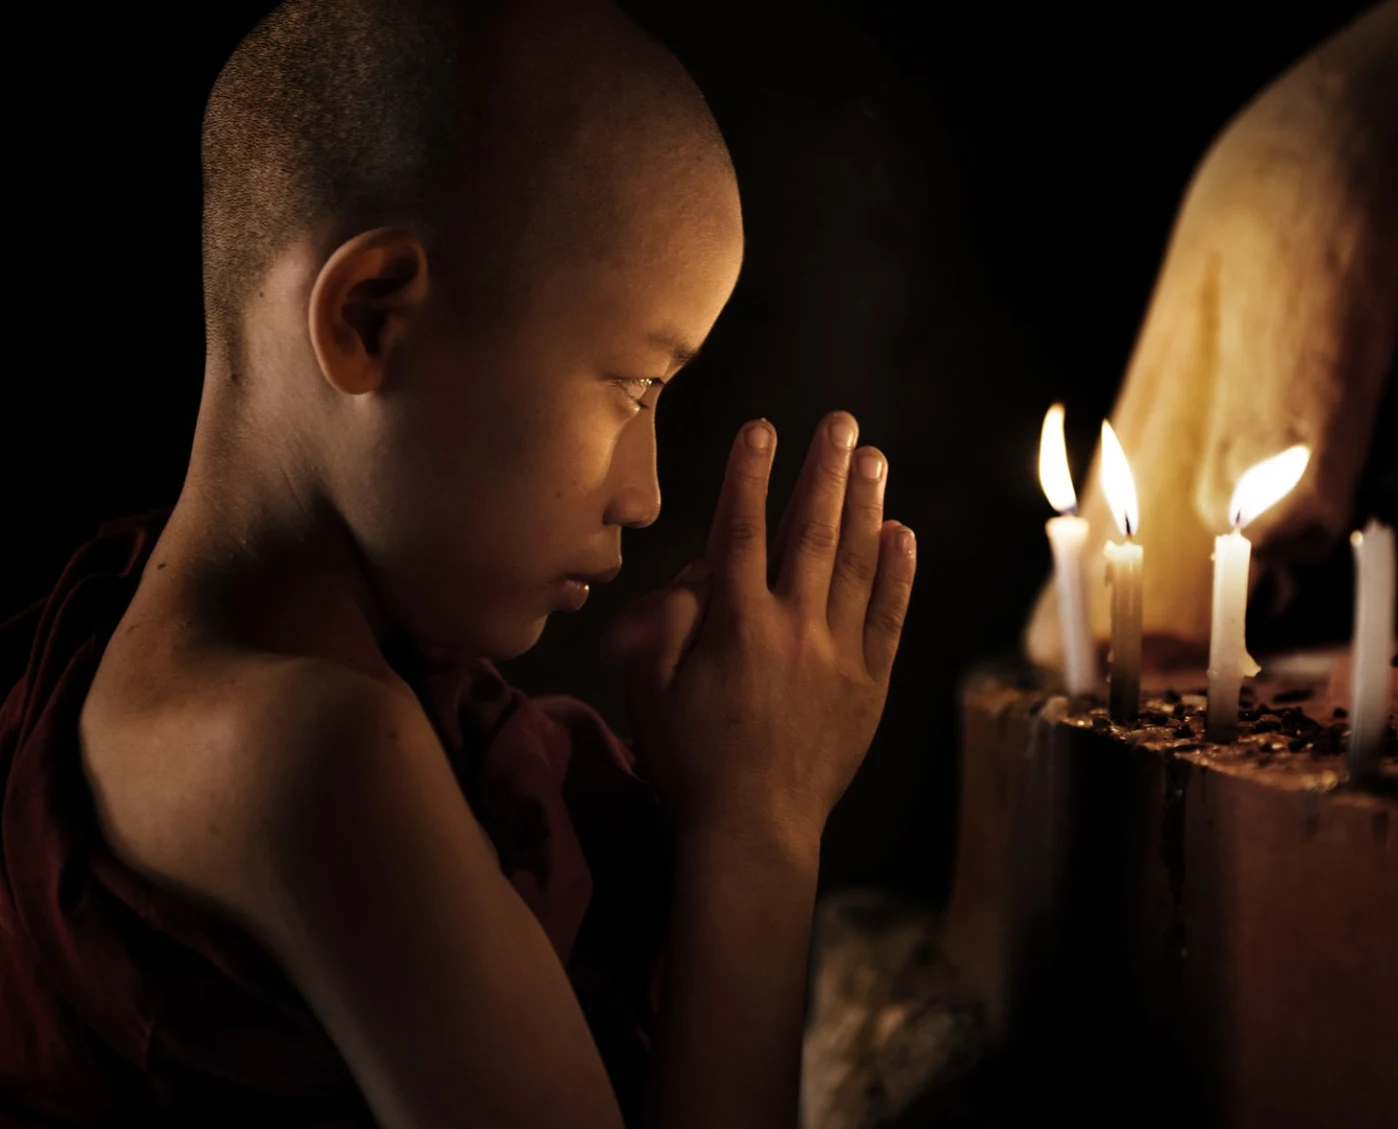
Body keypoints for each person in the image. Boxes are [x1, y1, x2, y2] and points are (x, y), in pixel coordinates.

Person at [0, 1, 916, 1126]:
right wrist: (761, 823)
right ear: (371, 319)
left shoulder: (128, 622)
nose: (648, 491)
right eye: (634, 386)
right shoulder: (316, 756)